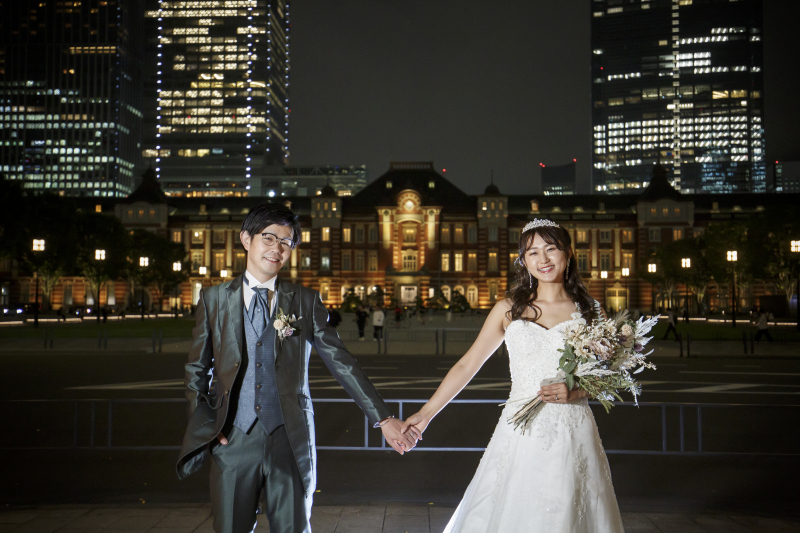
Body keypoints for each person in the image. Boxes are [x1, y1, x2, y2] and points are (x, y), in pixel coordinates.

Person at [176, 203, 417, 533]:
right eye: (269, 238)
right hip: (231, 440)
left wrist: (383, 418)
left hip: (290, 439)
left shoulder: (305, 301)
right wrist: (206, 425)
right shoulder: (214, 299)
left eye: (286, 242)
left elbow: (341, 360)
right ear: (247, 239)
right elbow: (196, 369)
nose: (277, 248)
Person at [401, 219, 624, 532]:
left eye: (551, 249)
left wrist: (578, 391)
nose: (543, 259)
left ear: (568, 253)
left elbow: (609, 374)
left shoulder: (589, 310)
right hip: (519, 428)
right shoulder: (509, 309)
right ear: (524, 260)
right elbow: (468, 365)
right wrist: (424, 415)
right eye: (533, 252)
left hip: (571, 430)